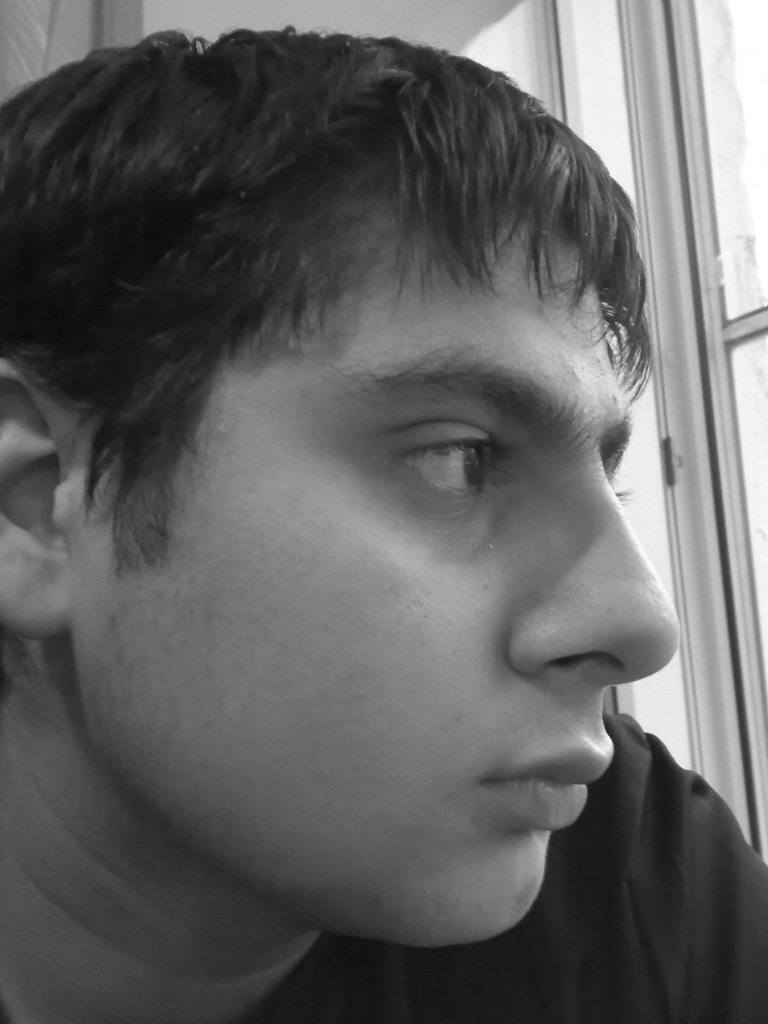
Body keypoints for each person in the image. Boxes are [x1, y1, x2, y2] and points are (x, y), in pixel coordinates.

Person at [0, 24, 765, 1024]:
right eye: (459, 458)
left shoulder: (635, 879)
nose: (642, 624)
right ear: (38, 503)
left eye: (607, 479)